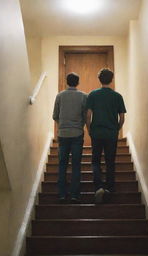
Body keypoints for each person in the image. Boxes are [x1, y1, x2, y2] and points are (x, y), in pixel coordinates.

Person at [86, 68, 126, 203]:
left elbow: (88, 115)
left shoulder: (92, 95)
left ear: (99, 79)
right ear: (111, 79)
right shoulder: (117, 96)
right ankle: (110, 188)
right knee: (110, 161)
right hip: (111, 133)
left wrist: (89, 129)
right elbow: (122, 118)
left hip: (97, 132)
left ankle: (98, 187)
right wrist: (117, 129)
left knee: (95, 160)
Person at [53, 72, 87, 203]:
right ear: (77, 83)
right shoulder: (84, 96)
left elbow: (55, 115)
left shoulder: (59, 96)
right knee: (76, 165)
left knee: (62, 164)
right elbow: (86, 115)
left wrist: (62, 125)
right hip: (77, 133)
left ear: (67, 82)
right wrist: (80, 125)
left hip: (62, 134)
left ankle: (61, 194)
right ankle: (74, 194)